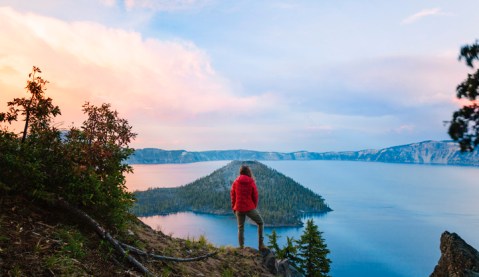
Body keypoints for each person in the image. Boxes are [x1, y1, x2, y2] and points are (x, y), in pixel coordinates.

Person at [230, 164, 266, 251]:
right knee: (260, 223)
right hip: (249, 207)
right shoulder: (251, 181)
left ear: (240, 172)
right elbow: (255, 196)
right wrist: (254, 206)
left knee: (240, 227)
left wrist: (234, 207)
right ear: (248, 172)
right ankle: (261, 245)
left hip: (238, 208)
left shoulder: (235, 182)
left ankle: (241, 247)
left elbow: (233, 196)